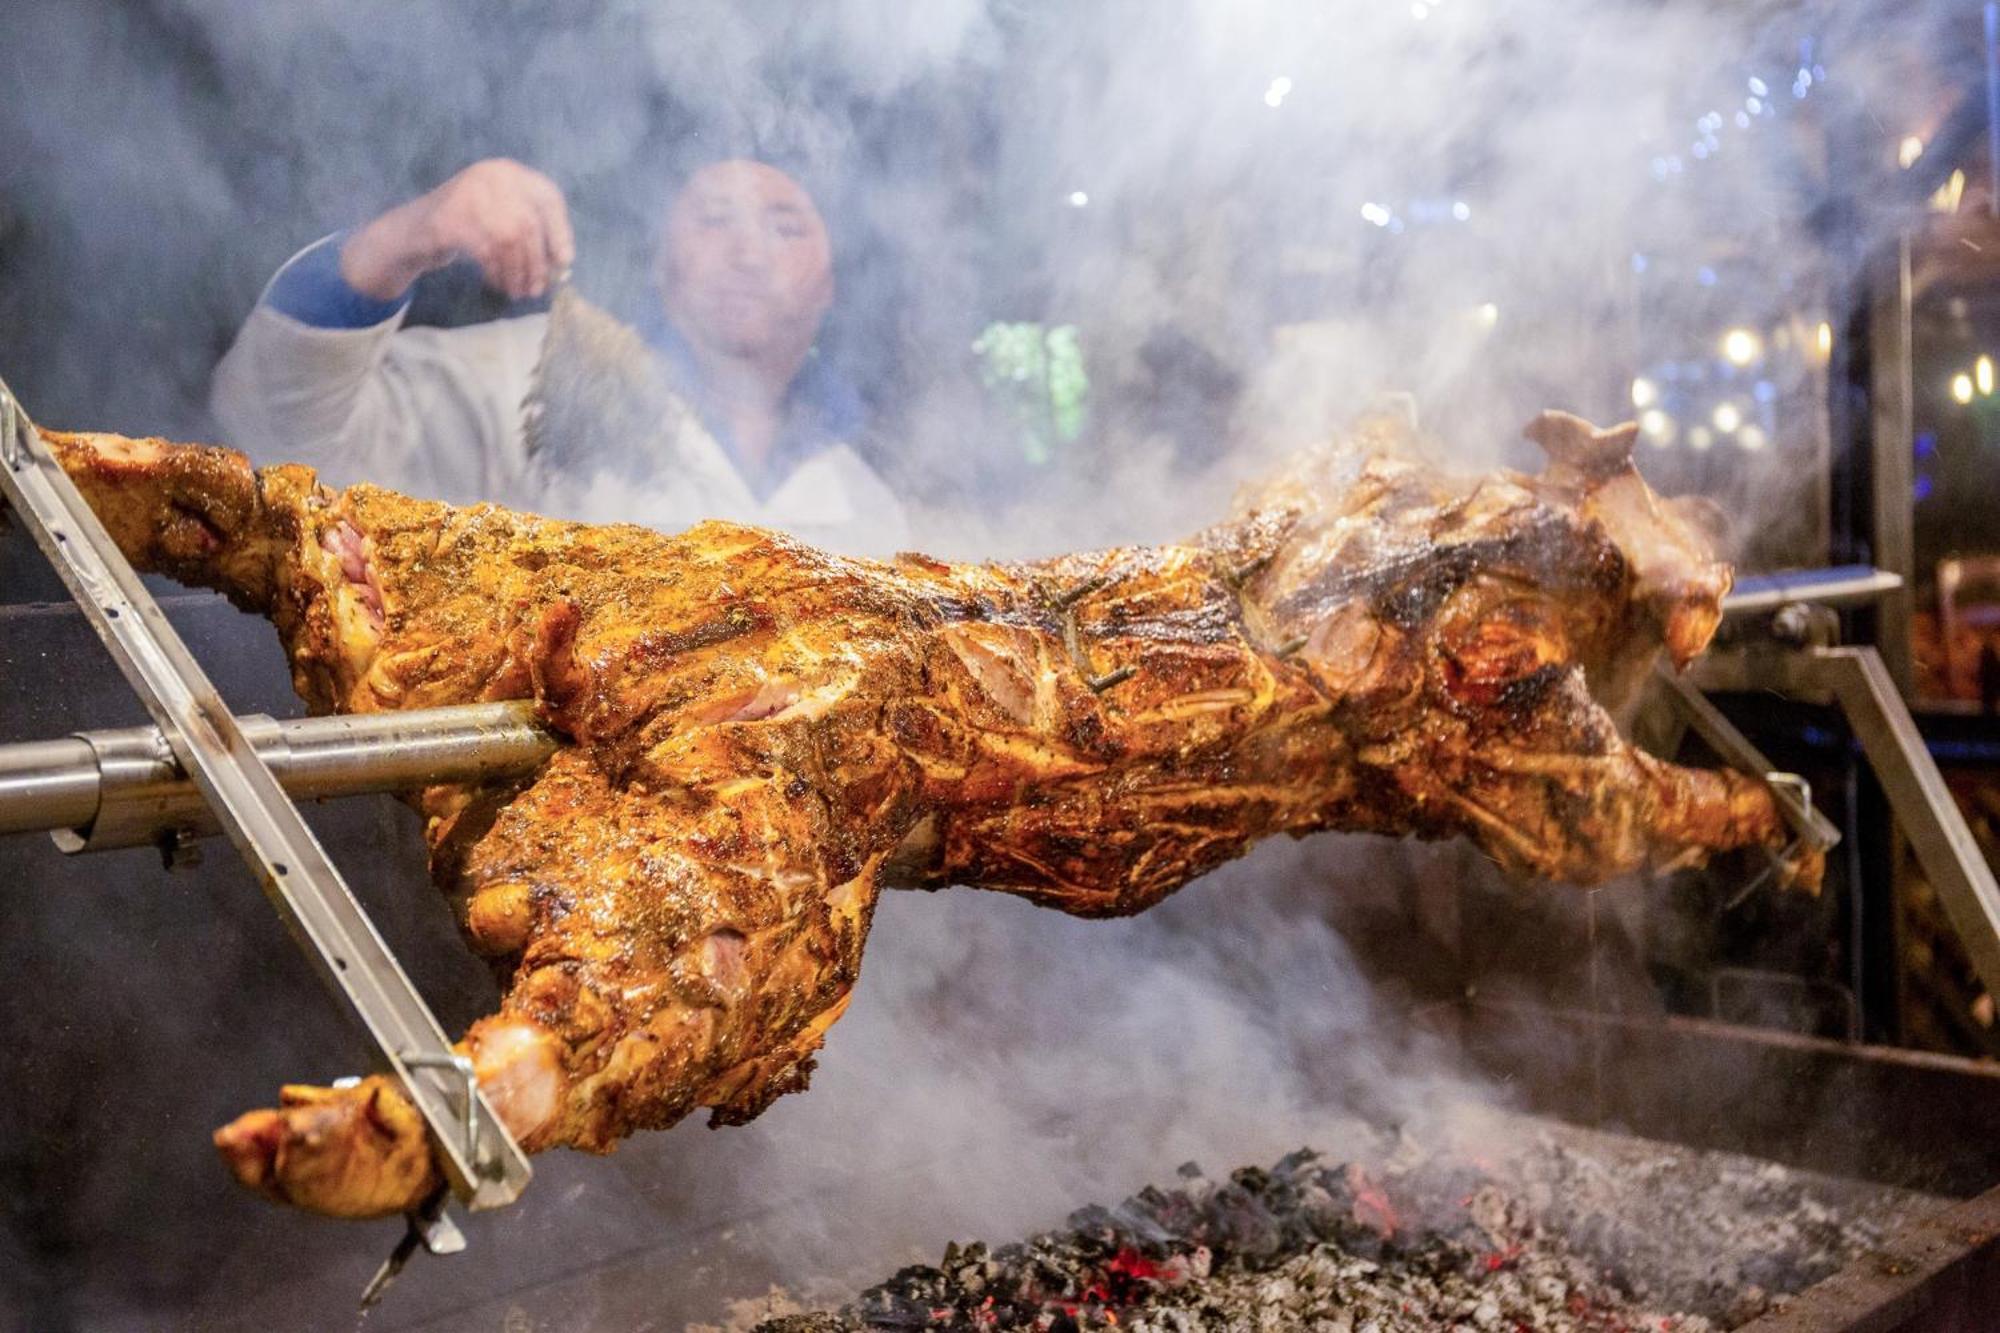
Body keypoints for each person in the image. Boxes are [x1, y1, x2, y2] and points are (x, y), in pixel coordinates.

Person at [210, 156, 908, 554]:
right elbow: (271, 439)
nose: (748, 249)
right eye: (715, 218)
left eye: (784, 226)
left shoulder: (868, 500)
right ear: (661, 265)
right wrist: (407, 235)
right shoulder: (520, 375)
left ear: (830, 285)